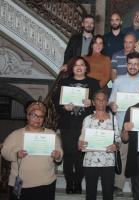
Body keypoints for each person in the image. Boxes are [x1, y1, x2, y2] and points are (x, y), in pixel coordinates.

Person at [53, 57, 101, 194]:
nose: (79, 67)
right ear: (71, 68)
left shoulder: (93, 83)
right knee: (68, 154)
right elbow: (55, 102)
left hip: (85, 125)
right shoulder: (64, 82)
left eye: (82, 65)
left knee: (81, 155)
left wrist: (91, 102)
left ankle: (78, 181)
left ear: (86, 68)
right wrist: (64, 107)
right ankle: (69, 182)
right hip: (67, 124)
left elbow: (101, 102)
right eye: (76, 65)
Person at [1, 101, 63, 200]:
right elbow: (4, 152)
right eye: (34, 115)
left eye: (41, 116)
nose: (38, 119)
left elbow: (59, 154)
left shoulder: (51, 134)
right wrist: (16, 154)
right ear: (28, 116)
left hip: (46, 183)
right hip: (22, 184)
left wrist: (58, 156)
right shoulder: (16, 134)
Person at [108, 52, 139, 195]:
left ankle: (138, 185)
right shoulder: (118, 80)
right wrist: (112, 105)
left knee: (138, 156)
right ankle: (118, 185)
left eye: (136, 64)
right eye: (130, 64)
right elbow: (112, 100)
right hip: (122, 124)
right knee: (122, 155)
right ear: (126, 64)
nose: (133, 67)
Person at [78, 90, 121, 200]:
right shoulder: (87, 119)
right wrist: (81, 144)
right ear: (93, 102)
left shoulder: (113, 119)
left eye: (104, 100)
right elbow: (81, 141)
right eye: (98, 99)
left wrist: (115, 146)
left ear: (107, 102)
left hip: (108, 160)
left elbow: (118, 139)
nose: (101, 102)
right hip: (90, 160)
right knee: (90, 193)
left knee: (108, 193)